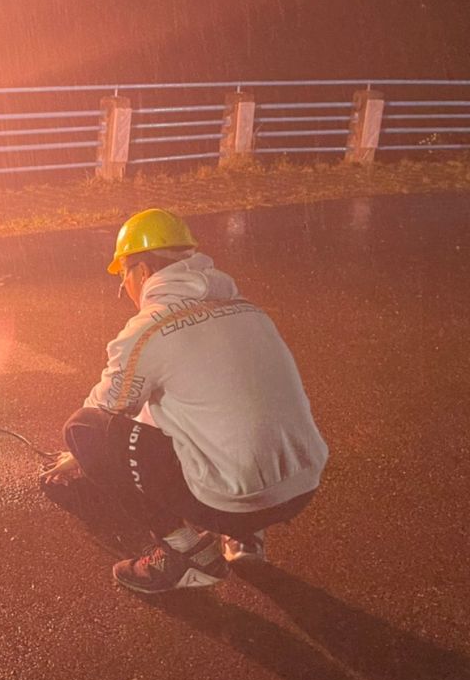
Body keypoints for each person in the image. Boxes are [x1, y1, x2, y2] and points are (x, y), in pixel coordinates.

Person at [40, 208, 328, 594]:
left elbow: (105, 411)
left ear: (140, 272)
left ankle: (189, 554)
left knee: (82, 429)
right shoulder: (248, 311)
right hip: (300, 485)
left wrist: (78, 453)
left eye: (123, 277)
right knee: (221, 414)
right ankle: (244, 535)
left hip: (232, 499)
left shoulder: (150, 328)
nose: (125, 288)